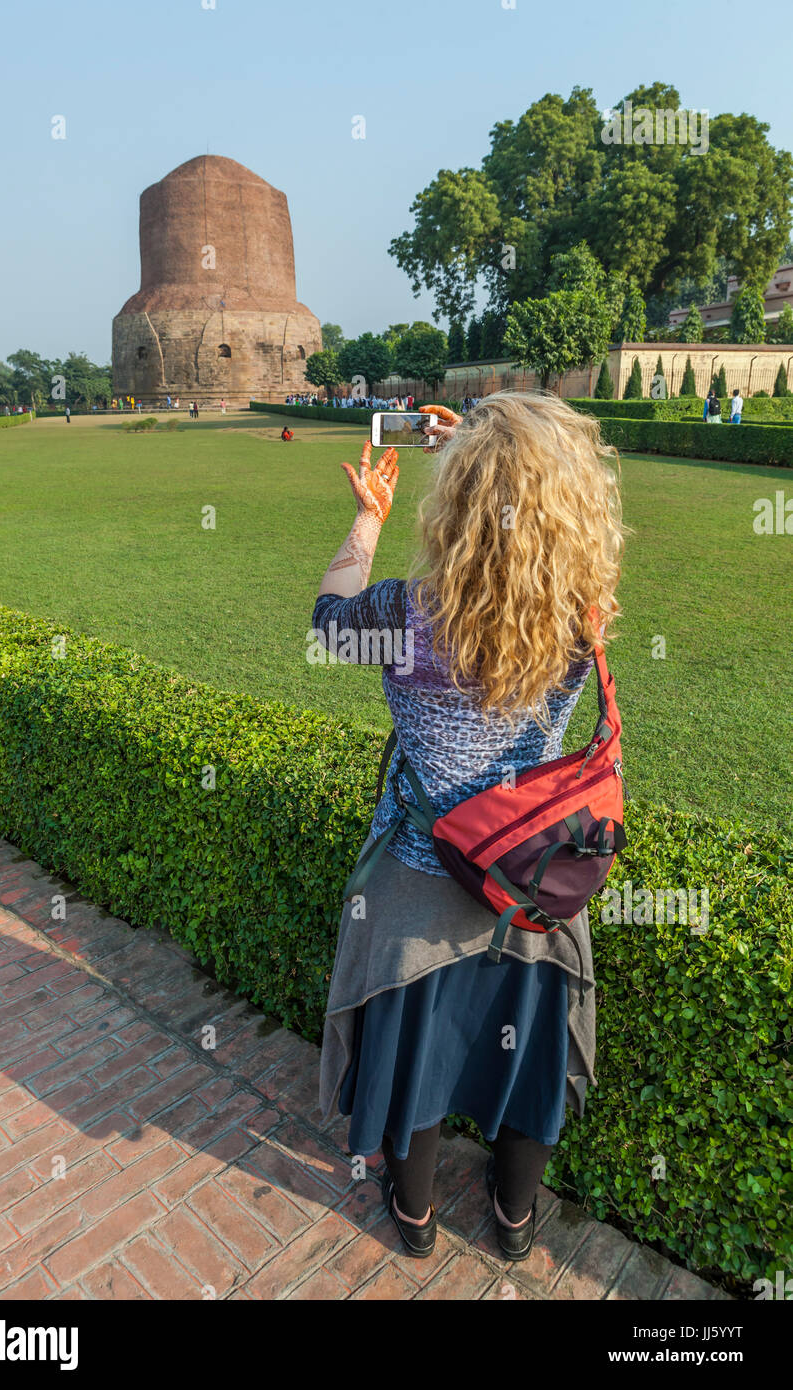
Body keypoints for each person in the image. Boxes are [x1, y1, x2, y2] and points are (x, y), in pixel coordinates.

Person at [315, 392, 625, 1260]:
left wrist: (368, 521)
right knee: (526, 1068)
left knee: (415, 1064)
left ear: (451, 499)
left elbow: (326, 621)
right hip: (531, 884)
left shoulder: (406, 615)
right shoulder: (583, 610)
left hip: (420, 883)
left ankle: (414, 1222)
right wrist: (499, 453)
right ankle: (515, 1221)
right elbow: (537, 519)